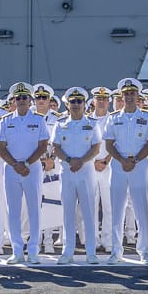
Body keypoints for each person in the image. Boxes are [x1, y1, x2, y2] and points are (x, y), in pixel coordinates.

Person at [103, 79, 148, 264]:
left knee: (142, 209)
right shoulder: (113, 117)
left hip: (139, 165)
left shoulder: (147, 117)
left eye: (132, 93)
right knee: (116, 210)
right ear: (122, 96)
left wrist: (134, 160)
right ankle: (116, 251)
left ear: (137, 96)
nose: (129, 96)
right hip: (118, 166)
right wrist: (121, 160)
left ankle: (144, 251)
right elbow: (109, 144)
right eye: (126, 94)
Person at [0, 83, 49, 265]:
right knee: (13, 211)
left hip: (32, 169)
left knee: (34, 210)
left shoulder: (39, 120)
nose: (21, 101)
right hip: (11, 169)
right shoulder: (5, 121)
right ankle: (16, 250)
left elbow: (43, 145)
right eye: (18, 98)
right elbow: (0, 148)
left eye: (24, 97)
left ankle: (33, 250)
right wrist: (15, 164)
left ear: (30, 100)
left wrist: (26, 163)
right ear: (13, 100)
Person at [52, 89, 104, 265]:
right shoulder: (60, 124)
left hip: (86, 172)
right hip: (67, 172)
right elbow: (56, 147)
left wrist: (80, 161)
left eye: (79, 101)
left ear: (84, 104)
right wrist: (69, 160)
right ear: (67, 104)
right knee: (67, 213)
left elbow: (96, 147)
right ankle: (67, 251)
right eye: (72, 101)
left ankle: (91, 252)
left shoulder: (92, 123)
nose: (76, 104)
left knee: (89, 212)